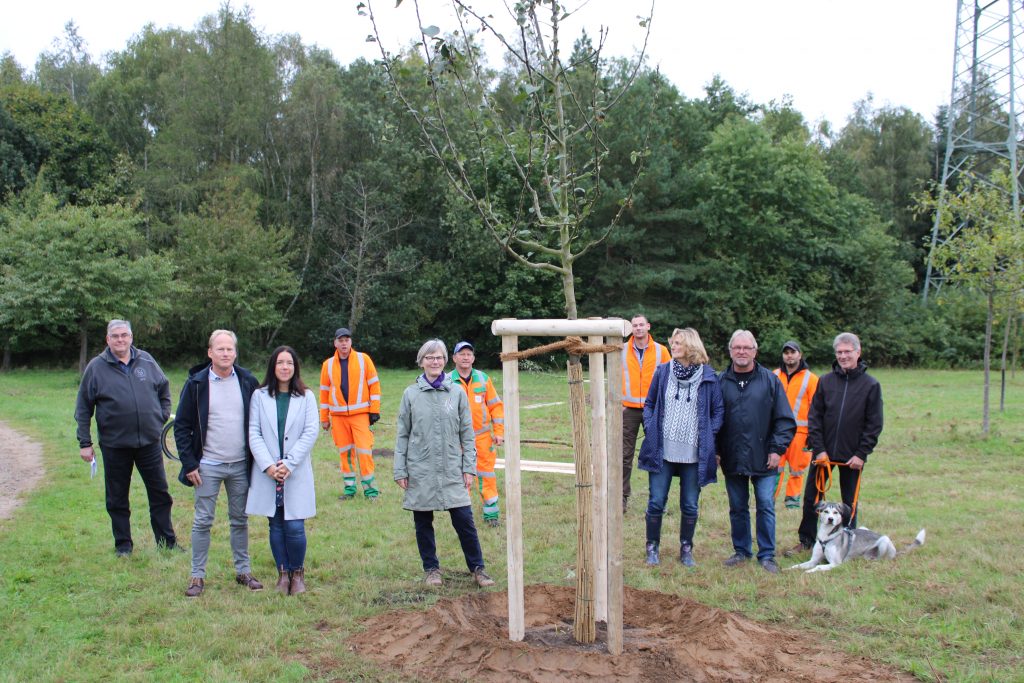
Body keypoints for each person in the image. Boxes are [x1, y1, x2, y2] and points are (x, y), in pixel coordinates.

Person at [393, 339, 495, 588]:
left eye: (438, 357)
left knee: (464, 520)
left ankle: (478, 569)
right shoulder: (411, 394)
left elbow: (467, 433)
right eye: (429, 357)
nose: (434, 361)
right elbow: (402, 434)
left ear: (445, 360)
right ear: (421, 361)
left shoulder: (457, 392)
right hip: (421, 468)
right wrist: (400, 468)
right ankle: (431, 570)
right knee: (423, 522)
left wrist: (469, 466)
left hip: (452, 467)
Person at [75, 319, 180, 557]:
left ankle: (167, 542)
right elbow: (83, 407)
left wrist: (160, 416)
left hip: (149, 443)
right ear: (108, 339)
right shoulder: (96, 367)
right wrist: (85, 442)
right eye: (115, 336)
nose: (120, 340)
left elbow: (164, 389)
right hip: (115, 445)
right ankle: (123, 545)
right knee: (117, 497)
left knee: (160, 494)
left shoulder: (146, 360)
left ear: (131, 337)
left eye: (124, 335)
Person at [174, 330, 263, 597]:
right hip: (207, 466)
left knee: (240, 519)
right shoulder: (196, 384)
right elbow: (182, 426)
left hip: (240, 465)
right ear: (210, 352)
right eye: (220, 349)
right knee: (202, 521)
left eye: (230, 349)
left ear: (235, 353)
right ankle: (197, 576)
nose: (225, 354)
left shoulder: (248, 381)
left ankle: (243, 571)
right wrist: (189, 463)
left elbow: (260, 422)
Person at [785, 332, 884, 557]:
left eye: (847, 352)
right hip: (823, 456)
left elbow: (874, 423)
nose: (843, 356)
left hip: (852, 456)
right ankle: (808, 540)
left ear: (858, 353)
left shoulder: (871, 385)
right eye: (839, 352)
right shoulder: (826, 381)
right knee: (812, 498)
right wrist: (819, 449)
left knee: (849, 502)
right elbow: (815, 417)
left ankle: (847, 543)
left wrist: (861, 454)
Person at [637, 328, 724, 567]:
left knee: (689, 503)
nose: (672, 346)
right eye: (672, 343)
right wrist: (651, 426)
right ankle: (652, 547)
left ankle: (686, 549)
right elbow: (650, 403)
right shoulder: (663, 372)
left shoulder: (708, 376)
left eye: (678, 343)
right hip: (662, 450)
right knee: (656, 501)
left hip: (694, 453)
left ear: (691, 347)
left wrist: (707, 434)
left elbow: (718, 412)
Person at [717, 330, 796, 573]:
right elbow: (712, 420)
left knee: (765, 505)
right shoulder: (720, 382)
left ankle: (767, 555)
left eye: (747, 348)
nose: (742, 352)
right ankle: (741, 551)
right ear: (730, 351)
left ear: (755, 351)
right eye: (737, 347)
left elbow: (784, 420)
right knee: (737, 506)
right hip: (732, 456)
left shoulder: (770, 381)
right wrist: (716, 451)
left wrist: (776, 450)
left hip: (765, 457)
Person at [246, 346, 320, 595]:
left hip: (294, 470)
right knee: (276, 524)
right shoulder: (259, 396)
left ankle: (298, 573)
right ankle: (283, 574)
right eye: (280, 363)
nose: (285, 367)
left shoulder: (307, 397)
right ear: (273, 367)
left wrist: (289, 463)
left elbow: (311, 432)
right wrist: (268, 465)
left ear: (295, 367)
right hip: (269, 472)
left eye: (289, 363)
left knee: (295, 526)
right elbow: (254, 433)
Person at [319, 327, 381, 501]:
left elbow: (374, 385)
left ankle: (371, 491)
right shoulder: (327, 365)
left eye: (347, 340)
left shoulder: (364, 359)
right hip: (338, 417)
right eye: (341, 340)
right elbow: (324, 393)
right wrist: (324, 418)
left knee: (364, 452)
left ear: (351, 342)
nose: (344, 343)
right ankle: (349, 490)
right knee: (345, 453)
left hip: (360, 415)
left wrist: (374, 410)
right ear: (335, 343)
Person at [449, 340, 505, 527]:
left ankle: (491, 515)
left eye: (469, 354)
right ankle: (463, 516)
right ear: (454, 358)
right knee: (458, 477)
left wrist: (498, 431)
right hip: (456, 440)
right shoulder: (447, 381)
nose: (465, 357)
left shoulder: (483, 379)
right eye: (461, 354)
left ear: (473, 358)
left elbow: (496, 406)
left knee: (486, 475)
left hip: (482, 438)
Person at [621, 314, 671, 513]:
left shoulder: (662, 351)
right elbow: (614, 377)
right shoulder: (621, 349)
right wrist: (618, 404)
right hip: (628, 410)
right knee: (624, 456)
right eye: (635, 325)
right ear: (631, 329)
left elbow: (670, 378)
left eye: (642, 324)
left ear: (648, 326)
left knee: (657, 454)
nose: (638, 328)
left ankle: (658, 500)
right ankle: (621, 498)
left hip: (654, 410)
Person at [772, 341, 819, 509]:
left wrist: (813, 435)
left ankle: (792, 502)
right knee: (774, 467)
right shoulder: (774, 375)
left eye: (793, 352)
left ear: (800, 354)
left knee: (797, 469)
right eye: (786, 352)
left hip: (801, 433)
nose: (789, 355)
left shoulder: (811, 379)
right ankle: (769, 499)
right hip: (776, 431)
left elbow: (817, 407)